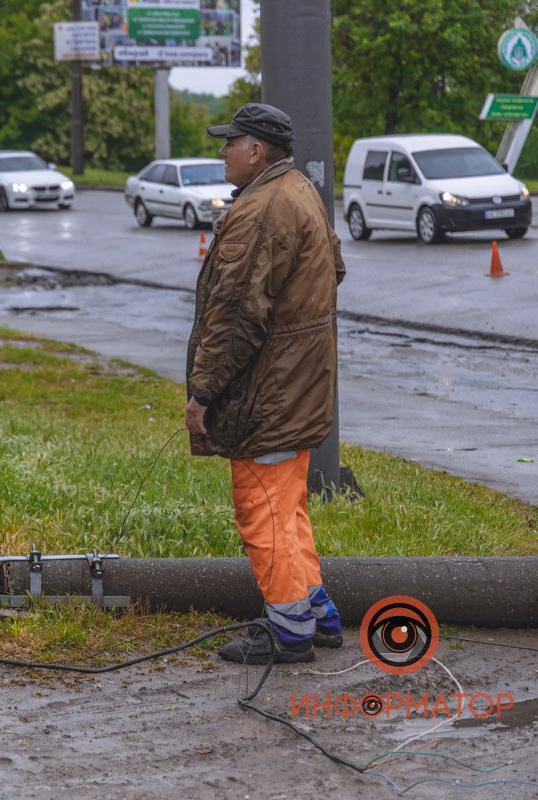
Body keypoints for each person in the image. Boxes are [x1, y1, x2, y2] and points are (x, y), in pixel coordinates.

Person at [185, 103, 345, 665]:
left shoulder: (262, 209)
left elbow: (235, 319)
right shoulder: (299, 190)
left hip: (270, 394)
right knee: (288, 509)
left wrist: (203, 394)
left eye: (229, 142)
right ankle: (318, 616)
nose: (222, 151)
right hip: (298, 384)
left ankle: (290, 633)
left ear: (255, 150)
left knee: (263, 512)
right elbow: (335, 270)